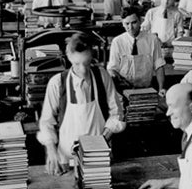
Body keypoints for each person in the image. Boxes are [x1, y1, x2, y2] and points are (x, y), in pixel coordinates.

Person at [38, 33, 126, 175]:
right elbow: (46, 122)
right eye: (77, 64)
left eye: (87, 63)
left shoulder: (102, 76)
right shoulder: (57, 83)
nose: (83, 70)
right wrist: (51, 150)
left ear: (92, 57)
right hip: (66, 161)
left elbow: (117, 113)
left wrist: (102, 140)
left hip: (99, 156)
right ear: (69, 57)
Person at [107, 7, 166, 94]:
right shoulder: (117, 42)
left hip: (146, 88)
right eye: (127, 24)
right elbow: (112, 68)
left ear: (140, 21)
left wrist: (161, 88)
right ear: (122, 23)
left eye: (134, 22)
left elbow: (159, 66)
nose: (130, 27)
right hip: (124, 90)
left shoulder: (152, 40)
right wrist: (116, 78)